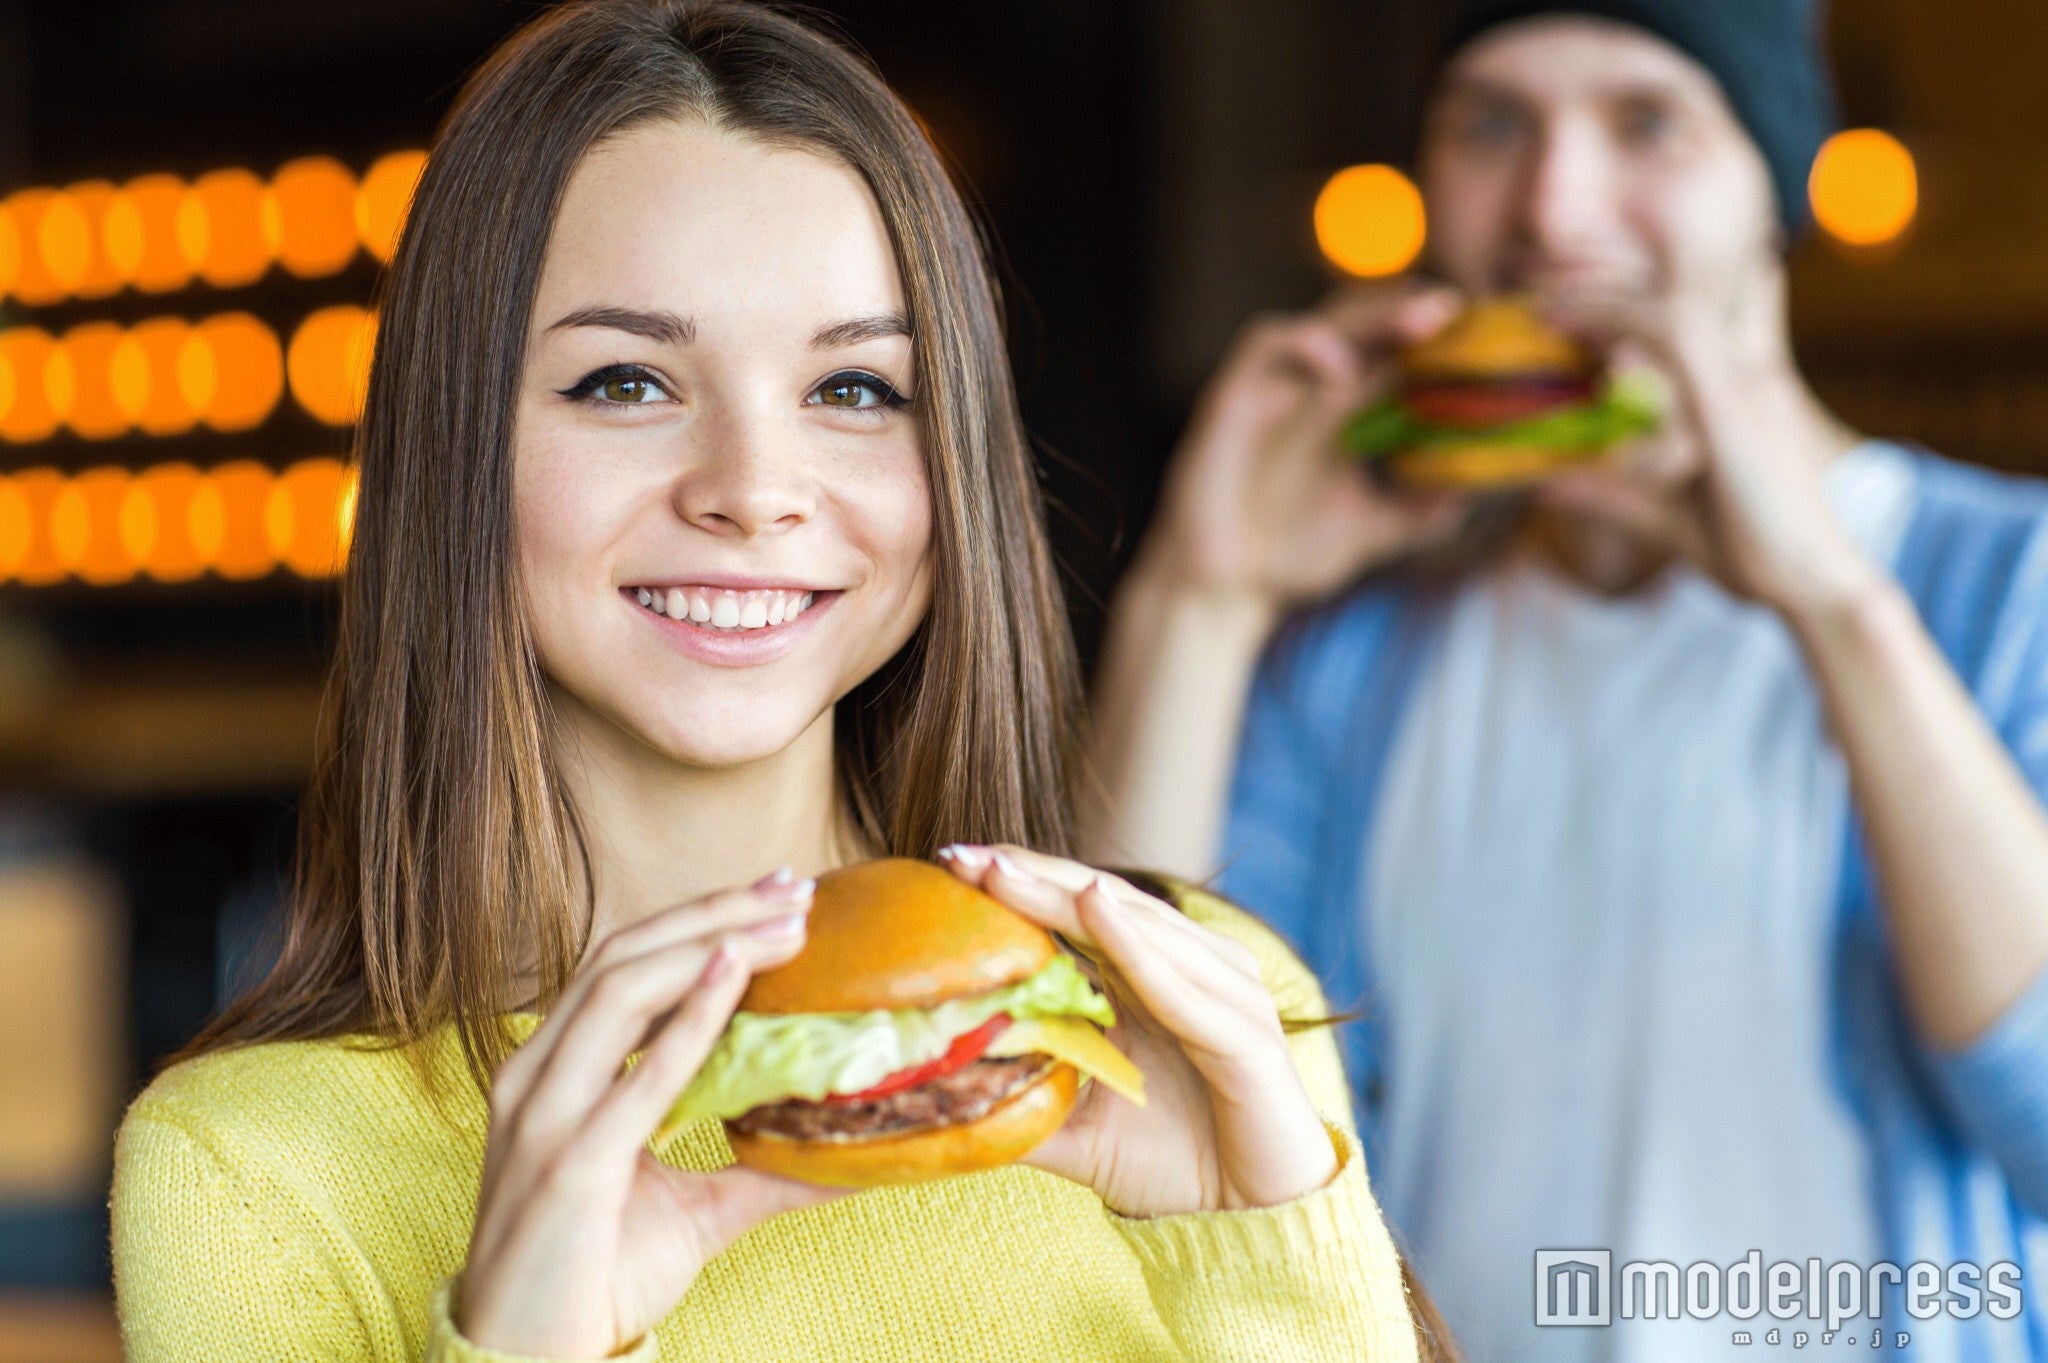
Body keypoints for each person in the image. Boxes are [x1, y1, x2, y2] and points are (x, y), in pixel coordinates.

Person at [106, 4, 1442, 1360]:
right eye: (624, 382)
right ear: (450, 447)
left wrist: (1267, 1251)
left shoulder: (1202, 1012)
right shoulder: (248, 1173)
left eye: (855, 390)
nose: (753, 490)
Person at [1091, 2, 2048, 1359]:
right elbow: (1131, 1096)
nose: (1552, 206)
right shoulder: (1351, 654)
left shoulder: (2008, 587)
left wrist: (1835, 605)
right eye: (1490, 123)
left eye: (1649, 120)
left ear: (1773, 189)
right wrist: (1200, 596)